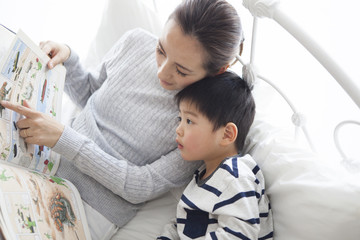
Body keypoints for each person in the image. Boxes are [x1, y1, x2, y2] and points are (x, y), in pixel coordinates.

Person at [0, 0, 245, 239]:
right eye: (161, 50)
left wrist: (65, 139)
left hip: (85, 206)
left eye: (181, 70)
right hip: (42, 156)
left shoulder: (200, 122)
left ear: (218, 70)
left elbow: (140, 187)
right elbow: (89, 94)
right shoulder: (136, 41)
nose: (162, 71)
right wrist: (69, 59)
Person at [157, 71, 273, 239]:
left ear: (226, 135)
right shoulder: (203, 177)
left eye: (189, 121)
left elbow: (240, 235)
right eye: (179, 119)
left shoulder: (236, 177)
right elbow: (182, 225)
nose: (178, 129)